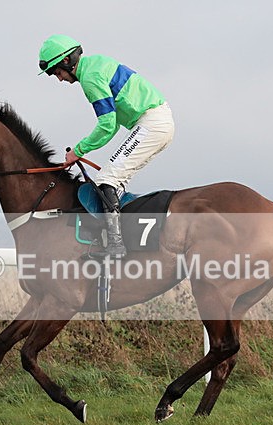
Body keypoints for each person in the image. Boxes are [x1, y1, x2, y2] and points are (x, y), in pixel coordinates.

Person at [39, 35, 175, 258]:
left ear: (66, 62)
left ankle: (116, 246)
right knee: (114, 181)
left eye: (57, 72)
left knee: (106, 180)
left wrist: (78, 150)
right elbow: (111, 126)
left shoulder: (90, 78)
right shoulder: (95, 64)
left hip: (152, 123)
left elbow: (106, 123)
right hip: (156, 122)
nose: (59, 79)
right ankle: (122, 236)